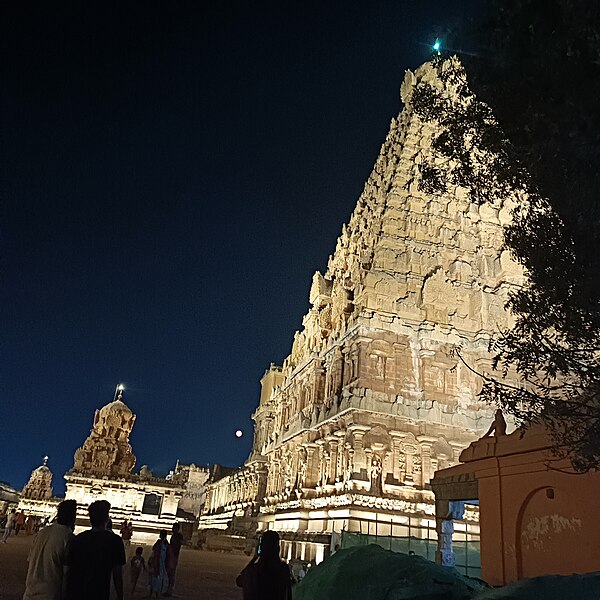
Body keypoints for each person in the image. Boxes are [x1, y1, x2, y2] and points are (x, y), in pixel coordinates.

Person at [65, 500, 126, 600]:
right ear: (107, 519)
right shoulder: (115, 541)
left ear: (90, 519)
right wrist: (120, 597)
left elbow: (69, 571)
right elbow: (117, 574)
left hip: (78, 592)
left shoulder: (78, 539)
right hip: (100, 592)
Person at [23, 499, 77, 600]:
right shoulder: (68, 538)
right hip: (51, 594)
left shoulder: (41, 533)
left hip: (30, 592)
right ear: (73, 517)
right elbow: (67, 573)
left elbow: (30, 560)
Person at [236, 530, 292, 600]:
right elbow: (288, 593)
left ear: (262, 547)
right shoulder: (283, 568)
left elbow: (239, 581)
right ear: (277, 548)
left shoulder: (255, 570)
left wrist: (254, 558)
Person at [149, 530, 170, 598]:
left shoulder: (161, 543)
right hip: (160, 562)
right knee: (158, 578)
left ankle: (154, 593)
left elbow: (153, 551)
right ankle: (156, 593)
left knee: (155, 577)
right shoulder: (165, 544)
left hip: (158, 562)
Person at [165, 523, 183, 596]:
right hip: (171, 555)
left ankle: (169, 590)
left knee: (171, 573)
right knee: (169, 573)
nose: (172, 529)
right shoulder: (175, 536)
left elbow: (176, 545)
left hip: (173, 555)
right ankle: (168, 589)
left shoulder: (178, 536)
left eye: (173, 528)